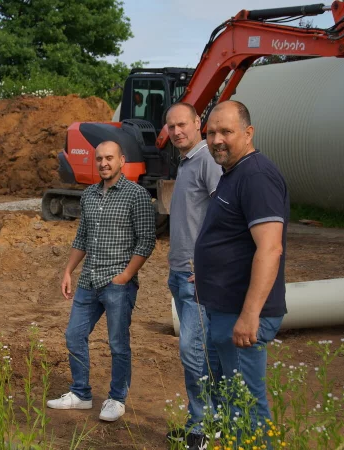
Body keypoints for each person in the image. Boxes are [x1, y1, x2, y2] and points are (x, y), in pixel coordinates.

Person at [194, 100, 289, 431]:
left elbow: (270, 248)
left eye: (226, 131)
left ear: (248, 133)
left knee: (246, 404)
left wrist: (250, 316)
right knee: (229, 400)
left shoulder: (257, 176)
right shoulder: (233, 173)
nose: (217, 139)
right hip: (225, 309)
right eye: (211, 133)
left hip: (242, 315)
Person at [47, 140, 156, 422]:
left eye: (109, 158)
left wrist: (125, 276)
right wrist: (68, 271)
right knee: (74, 334)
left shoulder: (137, 196)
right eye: (99, 159)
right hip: (89, 280)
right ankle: (81, 394)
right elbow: (82, 238)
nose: (104, 163)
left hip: (117, 283)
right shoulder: (89, 195)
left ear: (121, 160)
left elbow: (146, 241)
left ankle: (117, 399)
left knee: (118, 343)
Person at [163, 103, 222, 448]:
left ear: (198, 122)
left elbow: (225, 215)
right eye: (171, 127)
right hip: (180, 272)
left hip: (196, 276)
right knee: (202, 351)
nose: (176, 132)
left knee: (193, 350)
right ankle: (206, 420)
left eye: (182, 124)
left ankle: (202, 426)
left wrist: (208, 264)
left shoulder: (207, 162)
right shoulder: (187, 163)